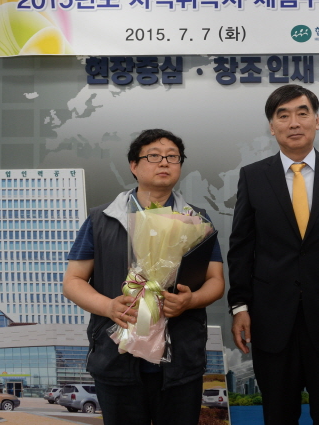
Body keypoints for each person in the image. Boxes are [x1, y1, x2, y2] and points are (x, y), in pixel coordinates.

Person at [228, 84, 319, 425]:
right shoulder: (253, 176)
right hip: (271, 319)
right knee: (278, 415)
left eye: (302, 113)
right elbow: (241, 248)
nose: (294, 123)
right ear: (272, 126)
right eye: (283, 116)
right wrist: (240, 306)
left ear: (316, 121)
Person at [63, 129, 224, 425]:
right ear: (134, 166)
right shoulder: (102, 219)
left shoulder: (197, 219)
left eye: (172, 157)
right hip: (116, 360)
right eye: (153, 156)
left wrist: (190, 301)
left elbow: (216, 280)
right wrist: (109, 307)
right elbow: (73, 282)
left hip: (180, 362)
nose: (164, 162)